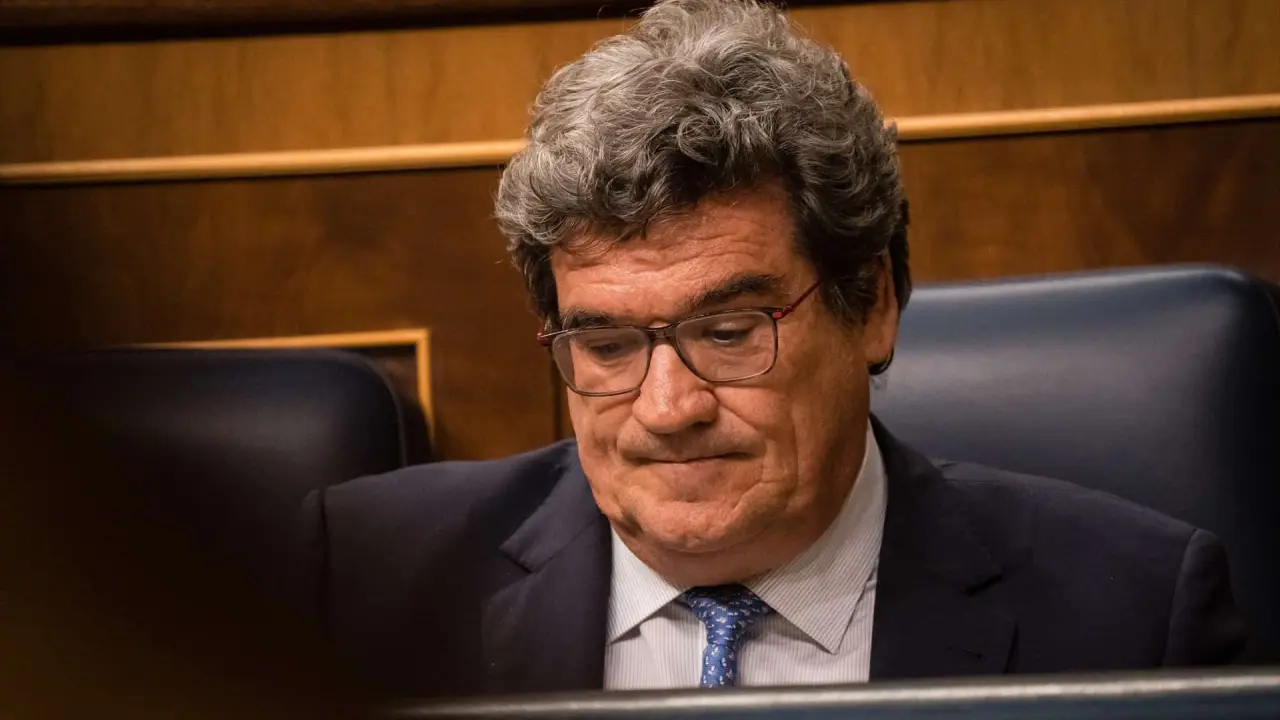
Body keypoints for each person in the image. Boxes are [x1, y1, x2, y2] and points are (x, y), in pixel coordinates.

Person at [299, 0, 1247, 698]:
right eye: (609, 344)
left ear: (871, 305)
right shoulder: (361, 582)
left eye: (729, 332)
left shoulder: (1132, 615)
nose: (667, 409)